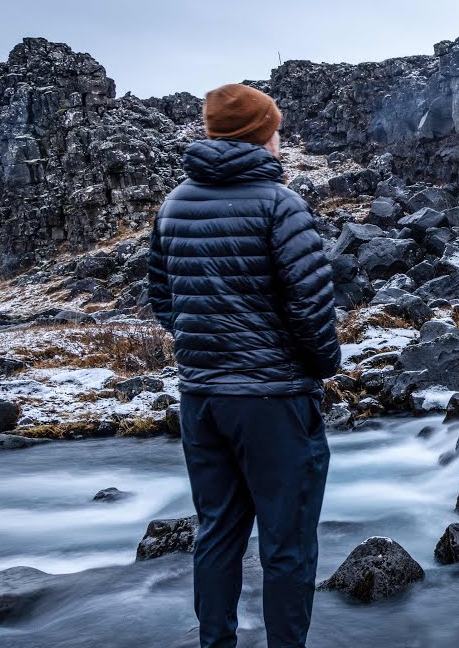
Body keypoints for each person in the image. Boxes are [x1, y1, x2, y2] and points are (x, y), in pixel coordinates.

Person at [147, 83, 342, 648]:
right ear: (262, 133)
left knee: (216, 534)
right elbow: (311, 306)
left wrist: (204, 346)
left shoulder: (175, 203)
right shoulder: (280, 205)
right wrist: (320, 367)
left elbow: (164, 299)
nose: (279, 136)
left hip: (201, 398)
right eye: (275, 127)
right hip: (273, 401)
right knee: (287, 545)